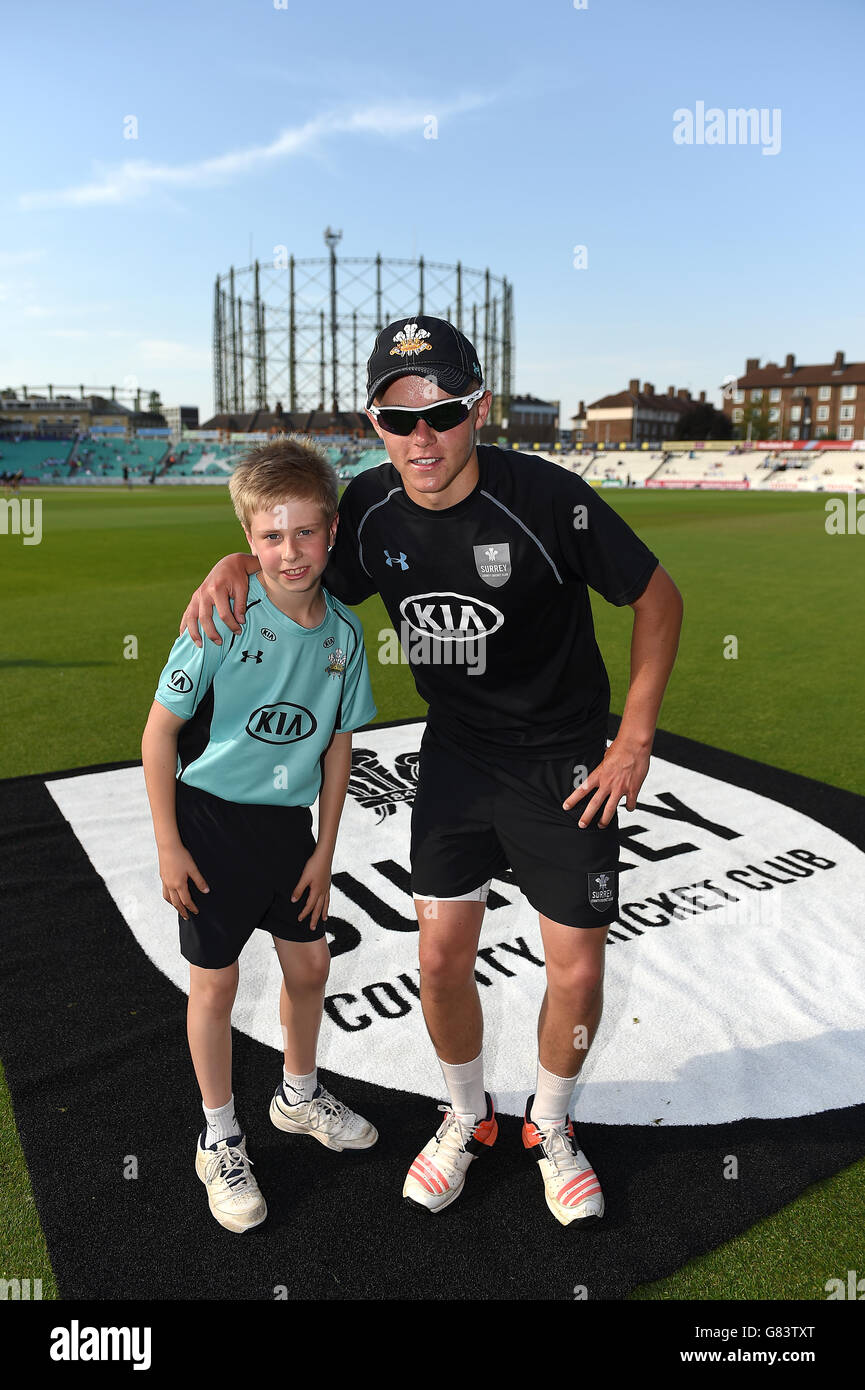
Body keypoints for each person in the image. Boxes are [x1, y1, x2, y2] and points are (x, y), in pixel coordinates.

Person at [180, 316, 683, 1228]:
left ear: (478, 410)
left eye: (442, 413)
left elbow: (656, 597)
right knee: (440, 958)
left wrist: (632, 739)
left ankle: (553, 1127)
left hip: (563, 763)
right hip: (453, 756)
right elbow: (294, 569)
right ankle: (465, 1117)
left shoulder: (548, 500)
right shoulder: (367, 510)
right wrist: (229, 560)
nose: (421, 439)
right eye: (395, 418)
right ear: (371, 422)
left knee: (572, 965)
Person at [142, 437, 379, 1234]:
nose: (290, 551)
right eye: (271, 537)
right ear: (248, 543)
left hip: (289, 830)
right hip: (209, 825)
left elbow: (341, 743)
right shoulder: (218, 620)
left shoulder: (345, 638)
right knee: (215, 984)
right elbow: (158, 737)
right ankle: (219, 1137)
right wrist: (170, 845)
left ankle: (297, 1095)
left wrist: (324, 847)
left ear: (333, 532)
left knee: (308, 965)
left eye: (305, 533)